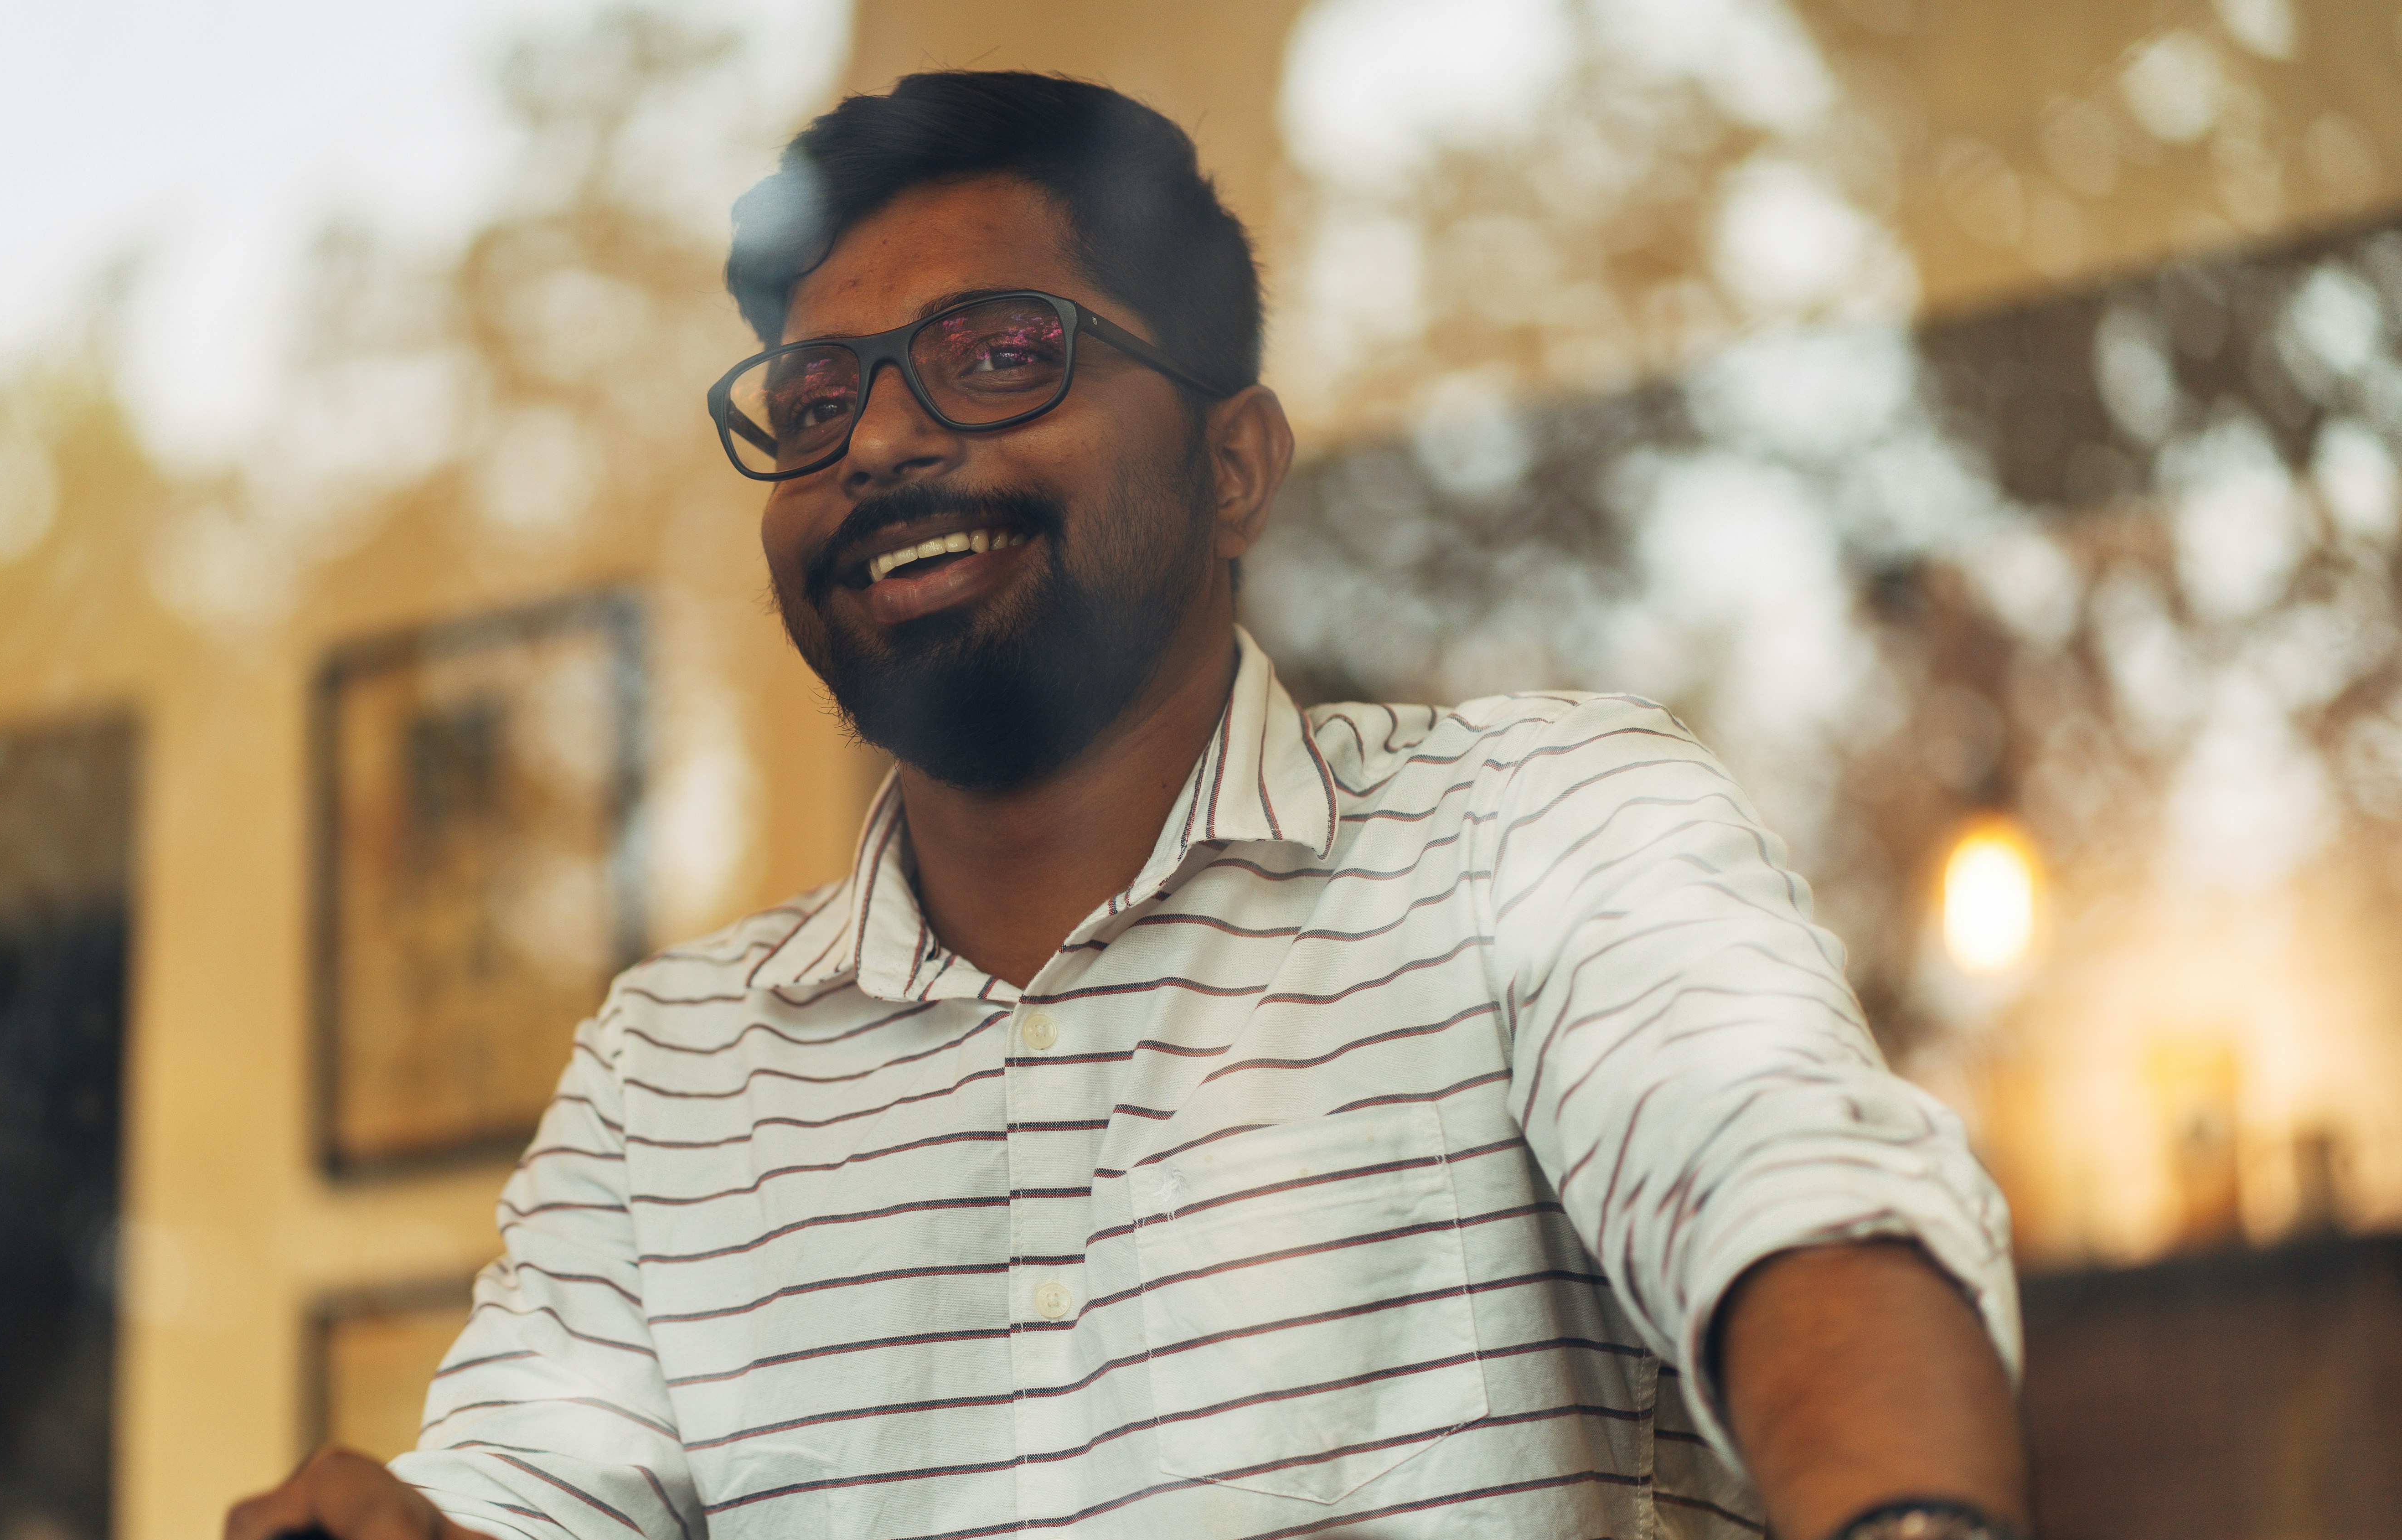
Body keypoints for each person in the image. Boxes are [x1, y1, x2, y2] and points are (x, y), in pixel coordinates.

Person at [228, 72, 2029, 1540]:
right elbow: (527, 1502)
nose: (877, 442)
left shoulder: (1533, 831)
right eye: (817, 395)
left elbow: (1794, 1200)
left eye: (998, 352)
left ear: (1234, 465)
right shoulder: (673, 1076)